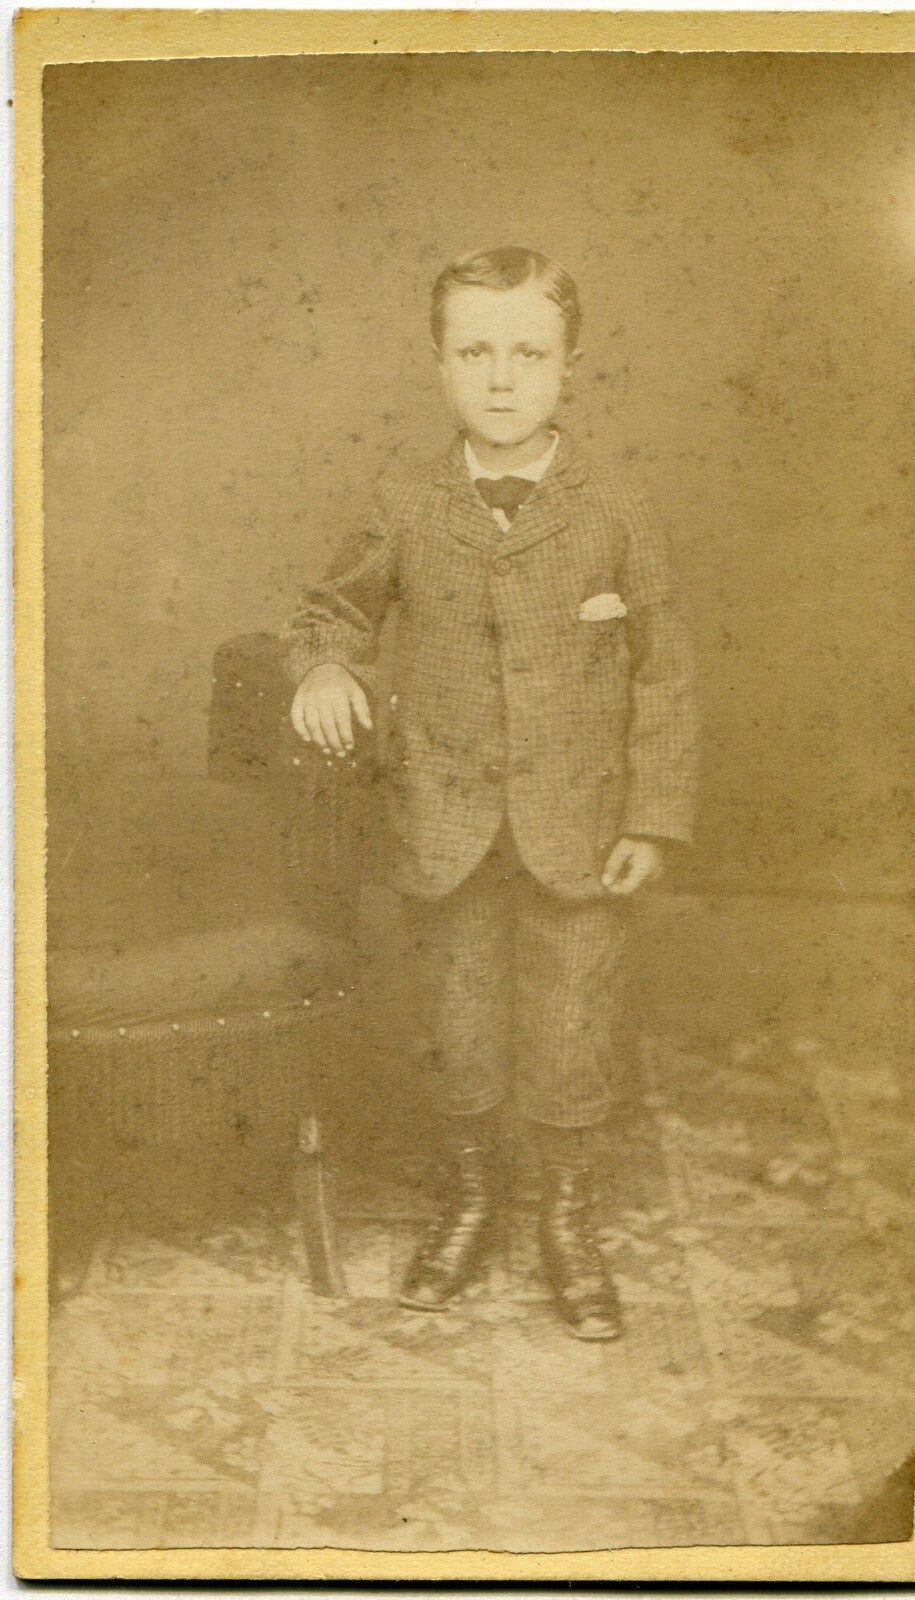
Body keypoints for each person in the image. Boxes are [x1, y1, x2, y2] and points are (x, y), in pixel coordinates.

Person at [286, 246, 697, 1340]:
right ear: (439, 365)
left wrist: (653, 819)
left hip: (580, 825)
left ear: (569, 369)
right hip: (446, 818)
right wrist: (325, 665)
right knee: (457, 1029)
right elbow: (331, 609)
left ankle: (566, 1222)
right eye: (475, 352)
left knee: (571, 1031)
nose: (501, 379)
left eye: (528, 353)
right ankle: (467, 1204)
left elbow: (661, 670)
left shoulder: (614, 508)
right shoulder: (404, 501)